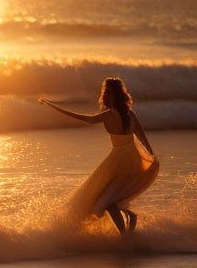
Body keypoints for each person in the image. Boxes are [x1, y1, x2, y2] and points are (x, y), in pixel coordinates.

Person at [39, 76, 158, 235]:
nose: (105, 95)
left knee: (104, 204)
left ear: (110, 94)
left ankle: (125, 232)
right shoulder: (129, 113)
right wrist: (150, 153)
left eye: (106, 92)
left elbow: (87, 120)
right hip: (132, 156)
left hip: (118, 160)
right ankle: (128, 225)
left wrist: (54, 106)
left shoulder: (109, 114)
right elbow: (140, 134)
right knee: (110, 201)